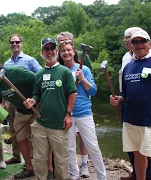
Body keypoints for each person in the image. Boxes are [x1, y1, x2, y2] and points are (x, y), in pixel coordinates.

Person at [110, 30, 151, 180]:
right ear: (131, 46)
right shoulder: (129, 67)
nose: (139, 44)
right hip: (131, 120)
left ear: (150, 44)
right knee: (138, 155)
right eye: (135, 42)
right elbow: (124, 94)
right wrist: (118, 99)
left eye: (143, 41)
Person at [23, 38, 76, 180]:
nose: (50, 51)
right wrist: (31, 101)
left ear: (56, 51)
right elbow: (36, 95)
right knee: (39, 160)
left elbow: (72, 93)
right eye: (46, 49)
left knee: (61, 160)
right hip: (40, 123)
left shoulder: (64, 72)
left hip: (59, 124)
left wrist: (68, 115)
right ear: (42, 52)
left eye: (52, 48)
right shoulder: (39, 74)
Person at [57, 39, 107, 179]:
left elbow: (93, 92)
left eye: (69, 50)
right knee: (70, 148)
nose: (66, 53)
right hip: (67, 115)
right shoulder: (59, 71)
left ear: (74, 52)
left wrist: (82, 79)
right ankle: (74, 175)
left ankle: (102, 176)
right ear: (60, 54)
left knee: (93, 147)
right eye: (63, 51)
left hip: (84, 113)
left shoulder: (83, 69)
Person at [0, 59, 36, 179]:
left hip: (36, 110)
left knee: (39, 141)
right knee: (21, 139)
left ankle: (46, 168)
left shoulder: (16, 72)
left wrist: (35, 100)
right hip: (21, 112)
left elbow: (37, 81)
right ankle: (29, 168)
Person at [2, 34, 42, 167]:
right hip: (12, 102)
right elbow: (3, 83)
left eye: (17, 42)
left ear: (21, 43)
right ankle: (16, 156)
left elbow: (40, 77)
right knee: (15, 129)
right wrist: (3, 101)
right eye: (12, 42)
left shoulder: (30, 60)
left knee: (30, 131)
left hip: (29, 102)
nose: (14, 44)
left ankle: (31, 159)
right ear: (9, 45)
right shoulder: (6, 64)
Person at [57, 31, 93, 177]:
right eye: (60, 41)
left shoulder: (83, 59)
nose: (63, 43)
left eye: (66, 41)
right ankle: (72, 169)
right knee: (69, 140)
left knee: (83, 136)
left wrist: (83, 80)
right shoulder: (59, 62)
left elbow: (90, 81)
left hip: (82, 104)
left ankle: (84, 164)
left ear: (72, 42)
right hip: (65, 108)